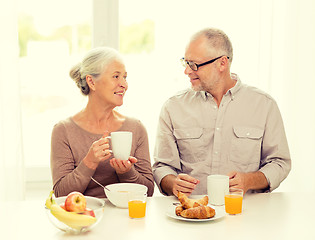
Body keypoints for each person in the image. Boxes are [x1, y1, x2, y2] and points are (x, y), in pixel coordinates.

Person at [152, 28, 291, 196]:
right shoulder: (173, 107)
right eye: (185, 62)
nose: (187, 71)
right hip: (191, 216)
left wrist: (248, 180)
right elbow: (162, 166)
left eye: (194, 64)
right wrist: (172, 182)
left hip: (245, 215)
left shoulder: (264, 105)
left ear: (222, 63)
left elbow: (279, 163)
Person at [50, 47, 154, 198]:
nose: (124, 84)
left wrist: (126, 172)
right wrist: (89, 162)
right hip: (84, 218)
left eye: (125, 77)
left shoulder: (136, 128)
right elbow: (60, 194)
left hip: (127, 217)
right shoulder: (63, 130)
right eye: (116, 76)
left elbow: (149, 191)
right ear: (92, 82)